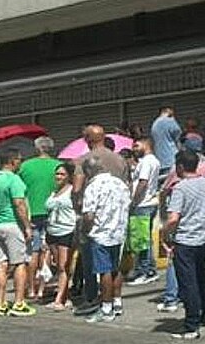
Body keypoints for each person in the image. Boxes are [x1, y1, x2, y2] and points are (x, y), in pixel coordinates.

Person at [164, 150, 205, 340]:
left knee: (188, 283)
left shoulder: (180, 188)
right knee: (202, 276)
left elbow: (173, 218)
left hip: (186, 240)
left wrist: (165, 233)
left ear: (179, 167)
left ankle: (191, 324)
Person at [77, 153, 130, 323]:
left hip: (101, 233)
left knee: (104, 270)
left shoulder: (93, 187)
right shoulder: (120, 184)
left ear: (88, 172)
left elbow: (89, 216)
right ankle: (116, 301)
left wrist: (85, 231)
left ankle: (106, 308)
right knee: (115, 269)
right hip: (119, 231)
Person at [0, 147, 35, 317]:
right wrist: (27, 225)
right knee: (20, 263)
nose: (21, 163)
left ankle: (0, 303)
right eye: (19, 160)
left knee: (0, 264)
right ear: (13, 161)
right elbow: (19, 204)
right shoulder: (14, 180)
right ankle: (19, 303)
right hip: (12, 225)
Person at [125, 136, 162, 285]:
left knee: (141, 240)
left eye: (136, 146)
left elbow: (143, 182)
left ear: (146, 145)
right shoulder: (153, 161)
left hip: (142, 204)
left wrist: (134, 201)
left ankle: (145, 271)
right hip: (149, 203)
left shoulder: (147, 162)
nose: (134, 149)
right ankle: (148, 269)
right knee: (144, 239)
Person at [18, 136, 59, 260]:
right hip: (54, 211)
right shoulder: (59, 166)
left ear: (37, 148)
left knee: (33, 248)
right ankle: (45, 274)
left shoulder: (25, 166)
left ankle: (33, 277)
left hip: (31, 211)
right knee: (48, 246)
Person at [44, 162, 77, 310]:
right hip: (52, 231)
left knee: (64, 266)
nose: (58, 176)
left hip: (66, 231)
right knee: (58, 266)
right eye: (57, 173)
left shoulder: (72, 191)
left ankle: (59, 300)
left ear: (69, 176)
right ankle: (65, 295)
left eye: (62, 174)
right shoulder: (53, 192)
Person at [150, 106, 180, 176]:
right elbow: (179, 137)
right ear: (168, 110)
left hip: (160, 160)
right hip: (172, 158)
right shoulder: (169, 121)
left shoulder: (155, 123)